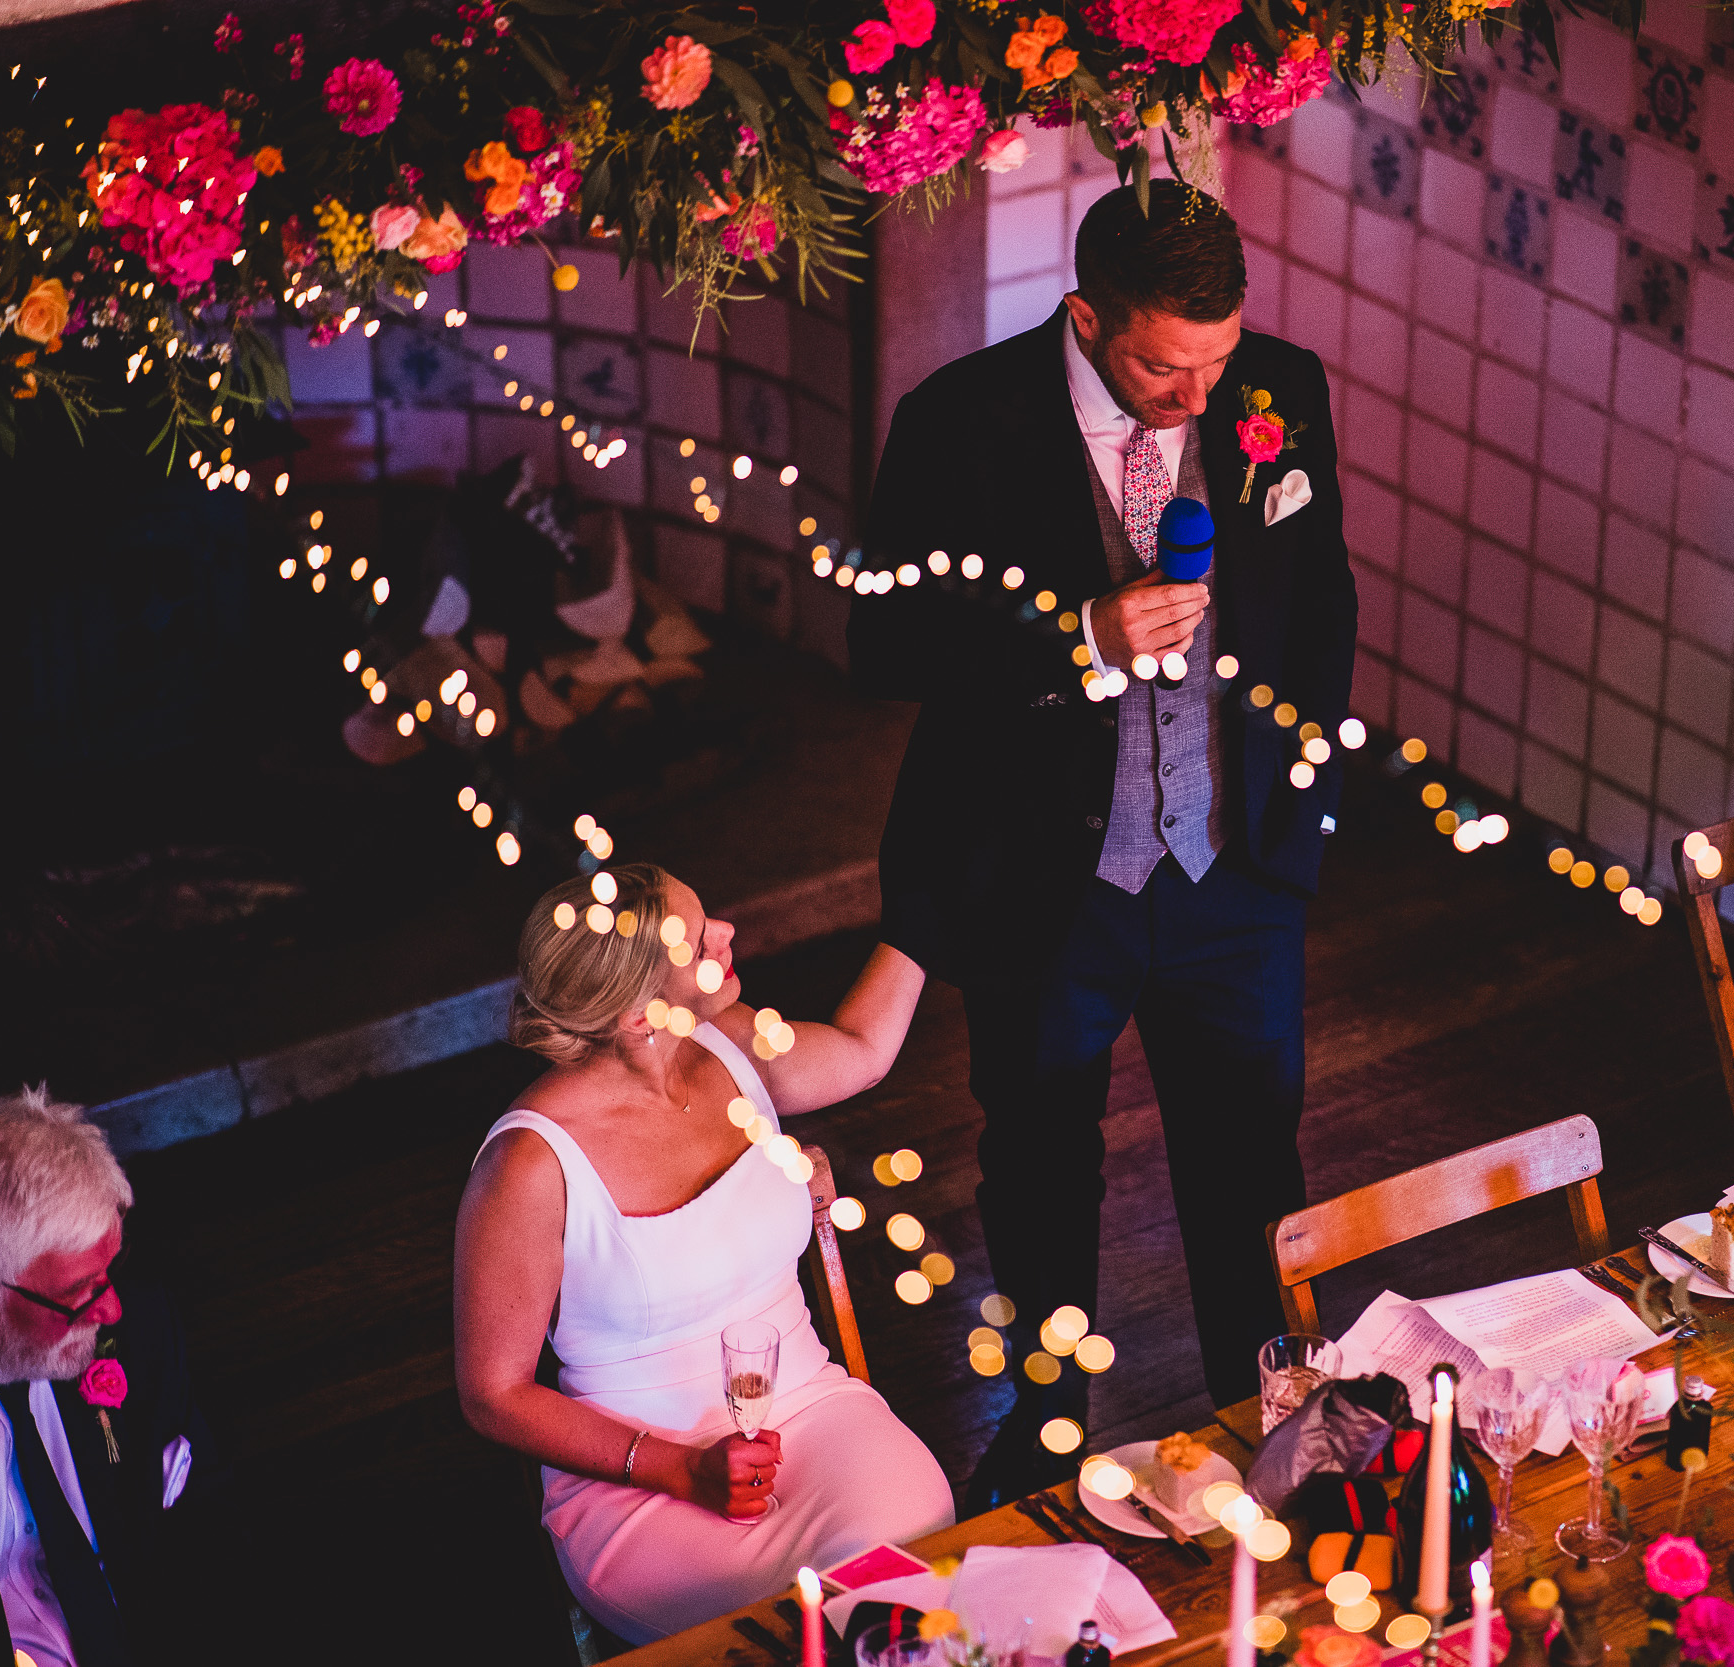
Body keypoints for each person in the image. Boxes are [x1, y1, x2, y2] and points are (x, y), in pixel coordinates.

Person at [849, 182, 1356, 1507]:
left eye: (1218, 361)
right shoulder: (961, 421)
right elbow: (884, 642)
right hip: (1045, 873)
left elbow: (1323, 605)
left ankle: (1269, 1400)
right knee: (1038, 1153)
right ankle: (1046, 1419)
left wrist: (1295, 797)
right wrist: (1079, 635)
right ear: (1083, 317)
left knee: (1253, 1147)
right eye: (1159, 366)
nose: (1199, 397)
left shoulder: (1279, 389)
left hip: (1233, 870)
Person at [455, 865, 952, 1646]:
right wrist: (679, 1469)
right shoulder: (528, 1162)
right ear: (635, 1008)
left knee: (906, 1537)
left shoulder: (736, 1046)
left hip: (808, 1410)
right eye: (700, 936)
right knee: (809, 1616)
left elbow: (863, 1047)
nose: (727, 933)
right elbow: (493, 1393)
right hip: (636, 1481)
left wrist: (932, 908)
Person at [0, 1088, 216, 1667]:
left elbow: (208, 1535)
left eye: (111, 1271)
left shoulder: (142, 1332)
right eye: (78, 1295)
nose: (111, 1312)